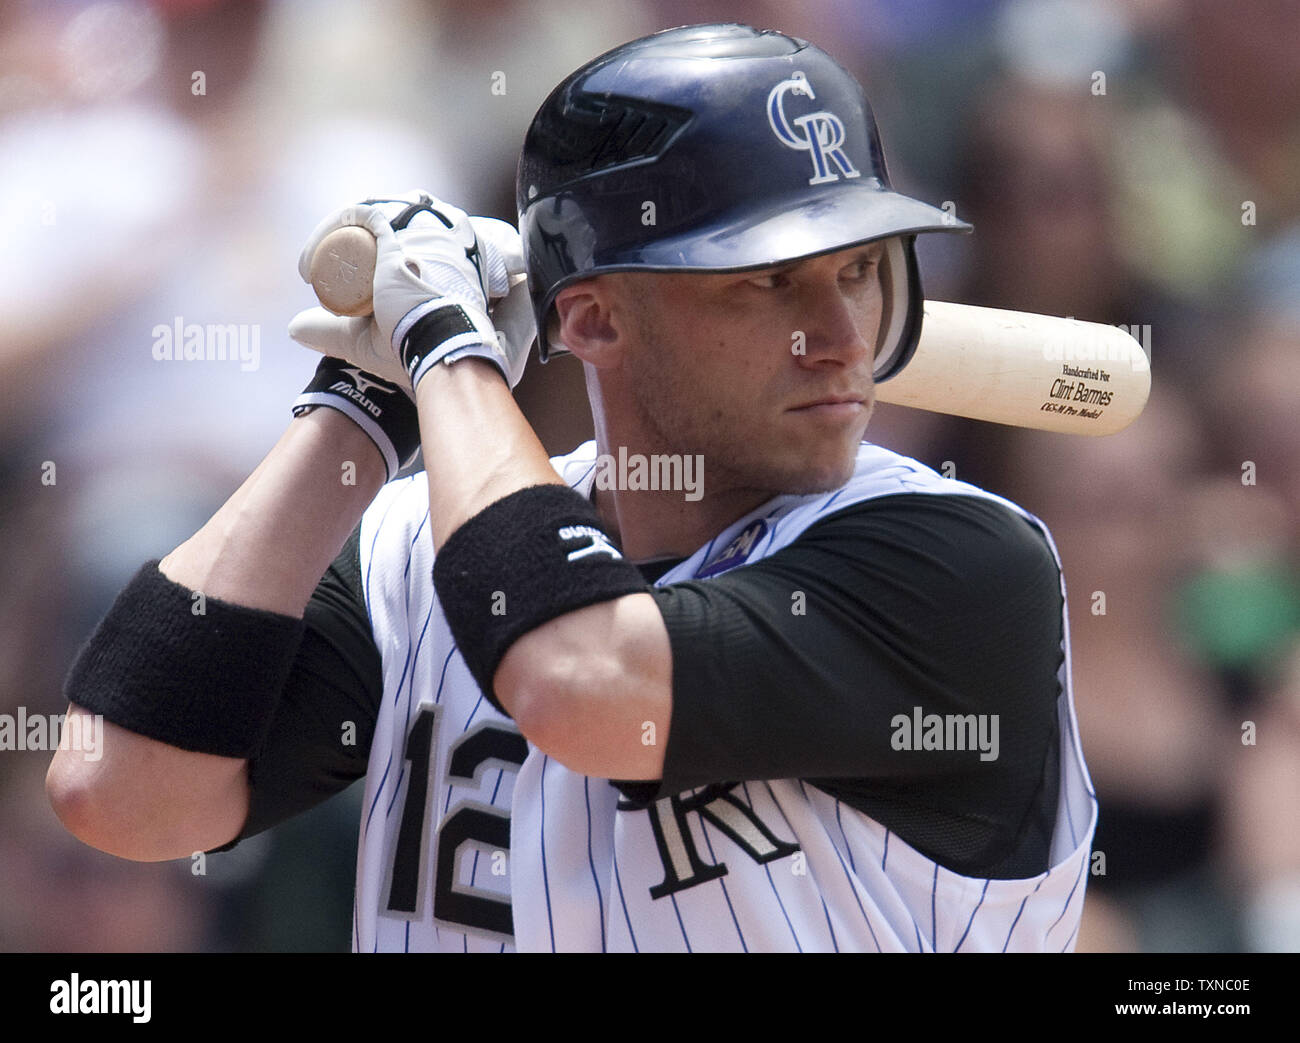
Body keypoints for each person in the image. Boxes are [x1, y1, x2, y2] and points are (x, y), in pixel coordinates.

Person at [48, 23, 1096, 952]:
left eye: (858, 269)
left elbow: (585, 679)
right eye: (769, 280)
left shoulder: (958, 561)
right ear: (592, 321)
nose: (837, 338)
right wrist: (365, 401)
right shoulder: (418, 542)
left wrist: (445, 342)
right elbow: (122, 792)